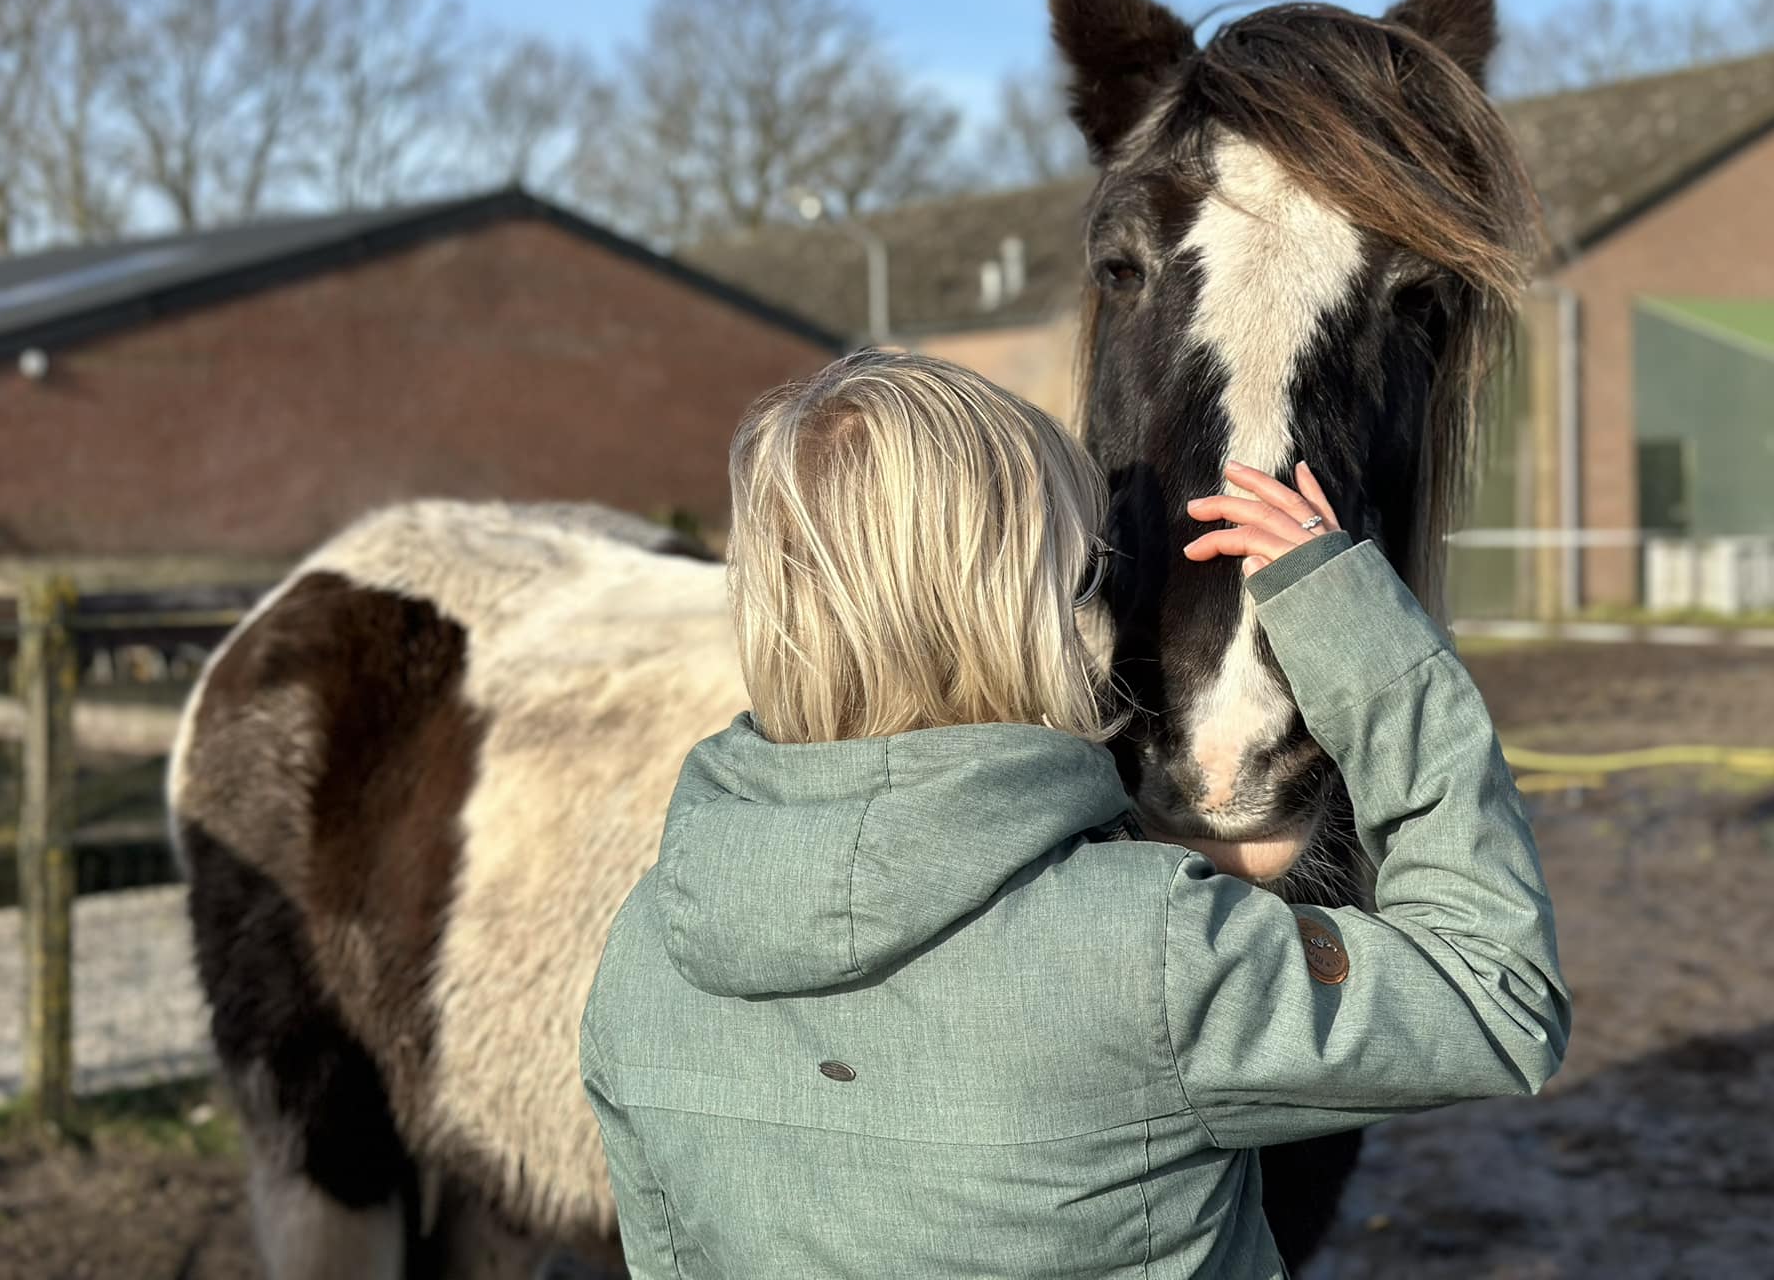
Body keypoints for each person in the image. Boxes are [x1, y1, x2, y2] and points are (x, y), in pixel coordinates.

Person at [580, 350, 1569, 1278]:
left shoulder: (643, 954)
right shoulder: (1152, 951)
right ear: (1009, 604)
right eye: (1079, 571)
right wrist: (1365, 644)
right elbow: (1495, 997)